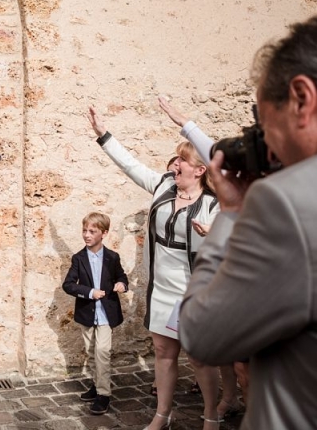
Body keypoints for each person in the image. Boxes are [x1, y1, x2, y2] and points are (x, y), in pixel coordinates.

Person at [179, 13, 317, 429]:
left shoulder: (290, 203)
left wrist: (232, 214)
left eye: (267, 127)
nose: (269, 145)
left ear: (303, 99)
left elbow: (203, 336)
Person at [87, 107, 221, 430]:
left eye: (182, 161)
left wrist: (213, 235)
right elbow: (131, 165)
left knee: (200, 358)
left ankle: (211, 416)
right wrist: (103, 135)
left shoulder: (215, 205)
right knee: (163, 352)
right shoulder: (163, 186)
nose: (176, 165)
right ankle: (162, 414)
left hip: (195, 292)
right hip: (161, 287)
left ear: (200, 169)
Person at [158, 96, 245, 419]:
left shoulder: (225, 198)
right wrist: (184, 122)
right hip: (219, 284)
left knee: (242, 362)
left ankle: (240, 403)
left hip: (239, 284)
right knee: (232, 359)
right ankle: (232, 399)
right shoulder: (225, 194)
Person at [62, 211, 128, 416]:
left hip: (107, 313)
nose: (87, 235)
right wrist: (89, 292)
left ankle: (104, 394)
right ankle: (95, 384)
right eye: (85, 230)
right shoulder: (78, 258)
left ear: (104, 233)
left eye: (92, 231)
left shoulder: (112, 257)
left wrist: (122, 284)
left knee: (102, 351)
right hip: (87, 313)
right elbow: (68, 285)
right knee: (91, 352)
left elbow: (122, 276)